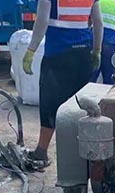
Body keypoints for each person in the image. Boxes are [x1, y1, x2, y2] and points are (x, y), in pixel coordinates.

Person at [22, 0, 104, 166]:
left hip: (57, 55)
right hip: (83, 55)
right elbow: (98, 23)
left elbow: (42, 20)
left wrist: (31, 50)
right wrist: (96, 50)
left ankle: (41, 152)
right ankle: (84, 157)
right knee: (81, 105)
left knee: (50, 104)